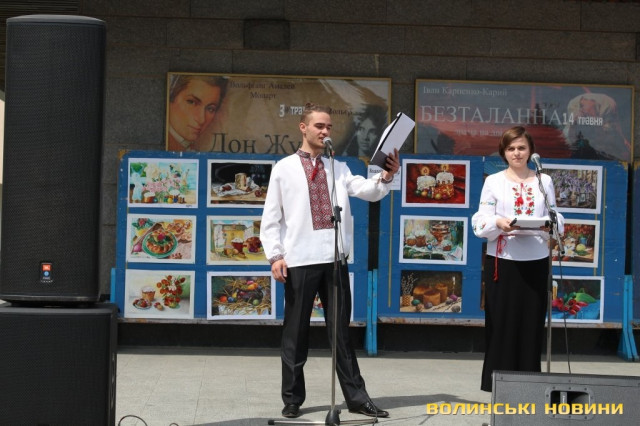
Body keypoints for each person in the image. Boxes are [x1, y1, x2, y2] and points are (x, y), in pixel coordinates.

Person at [260, 103, 399, 419]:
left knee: (341, 334)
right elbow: (271, 217)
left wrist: (386, 176)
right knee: (296, 331)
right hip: (299, 259)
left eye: (329, 127)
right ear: (303, 127)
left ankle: (356, 397)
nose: (325, 131)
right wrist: (275, 255)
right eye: (319, 126)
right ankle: (292, 398)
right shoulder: (284, 168)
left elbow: (367, 190)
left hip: (334, 258)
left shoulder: (338, 166)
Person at [471, 126, 564, 392]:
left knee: (531, 324)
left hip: (536, 260)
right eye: (511, 148)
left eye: (522, 148)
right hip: (503, 261)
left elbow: (556, 215)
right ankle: (499, 387)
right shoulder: (494, 181)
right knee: (502, 324)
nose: (517, 153)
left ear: (531, 151)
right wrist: (498, 223)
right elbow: (480, 221)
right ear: (504, 152)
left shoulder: (544, 181)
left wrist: (550, 225)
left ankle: (530, 387)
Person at [166, 74, 228, 152]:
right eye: (191, 102)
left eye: (210, 109)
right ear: (172, 97)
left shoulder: (190, 147)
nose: (202, 120)